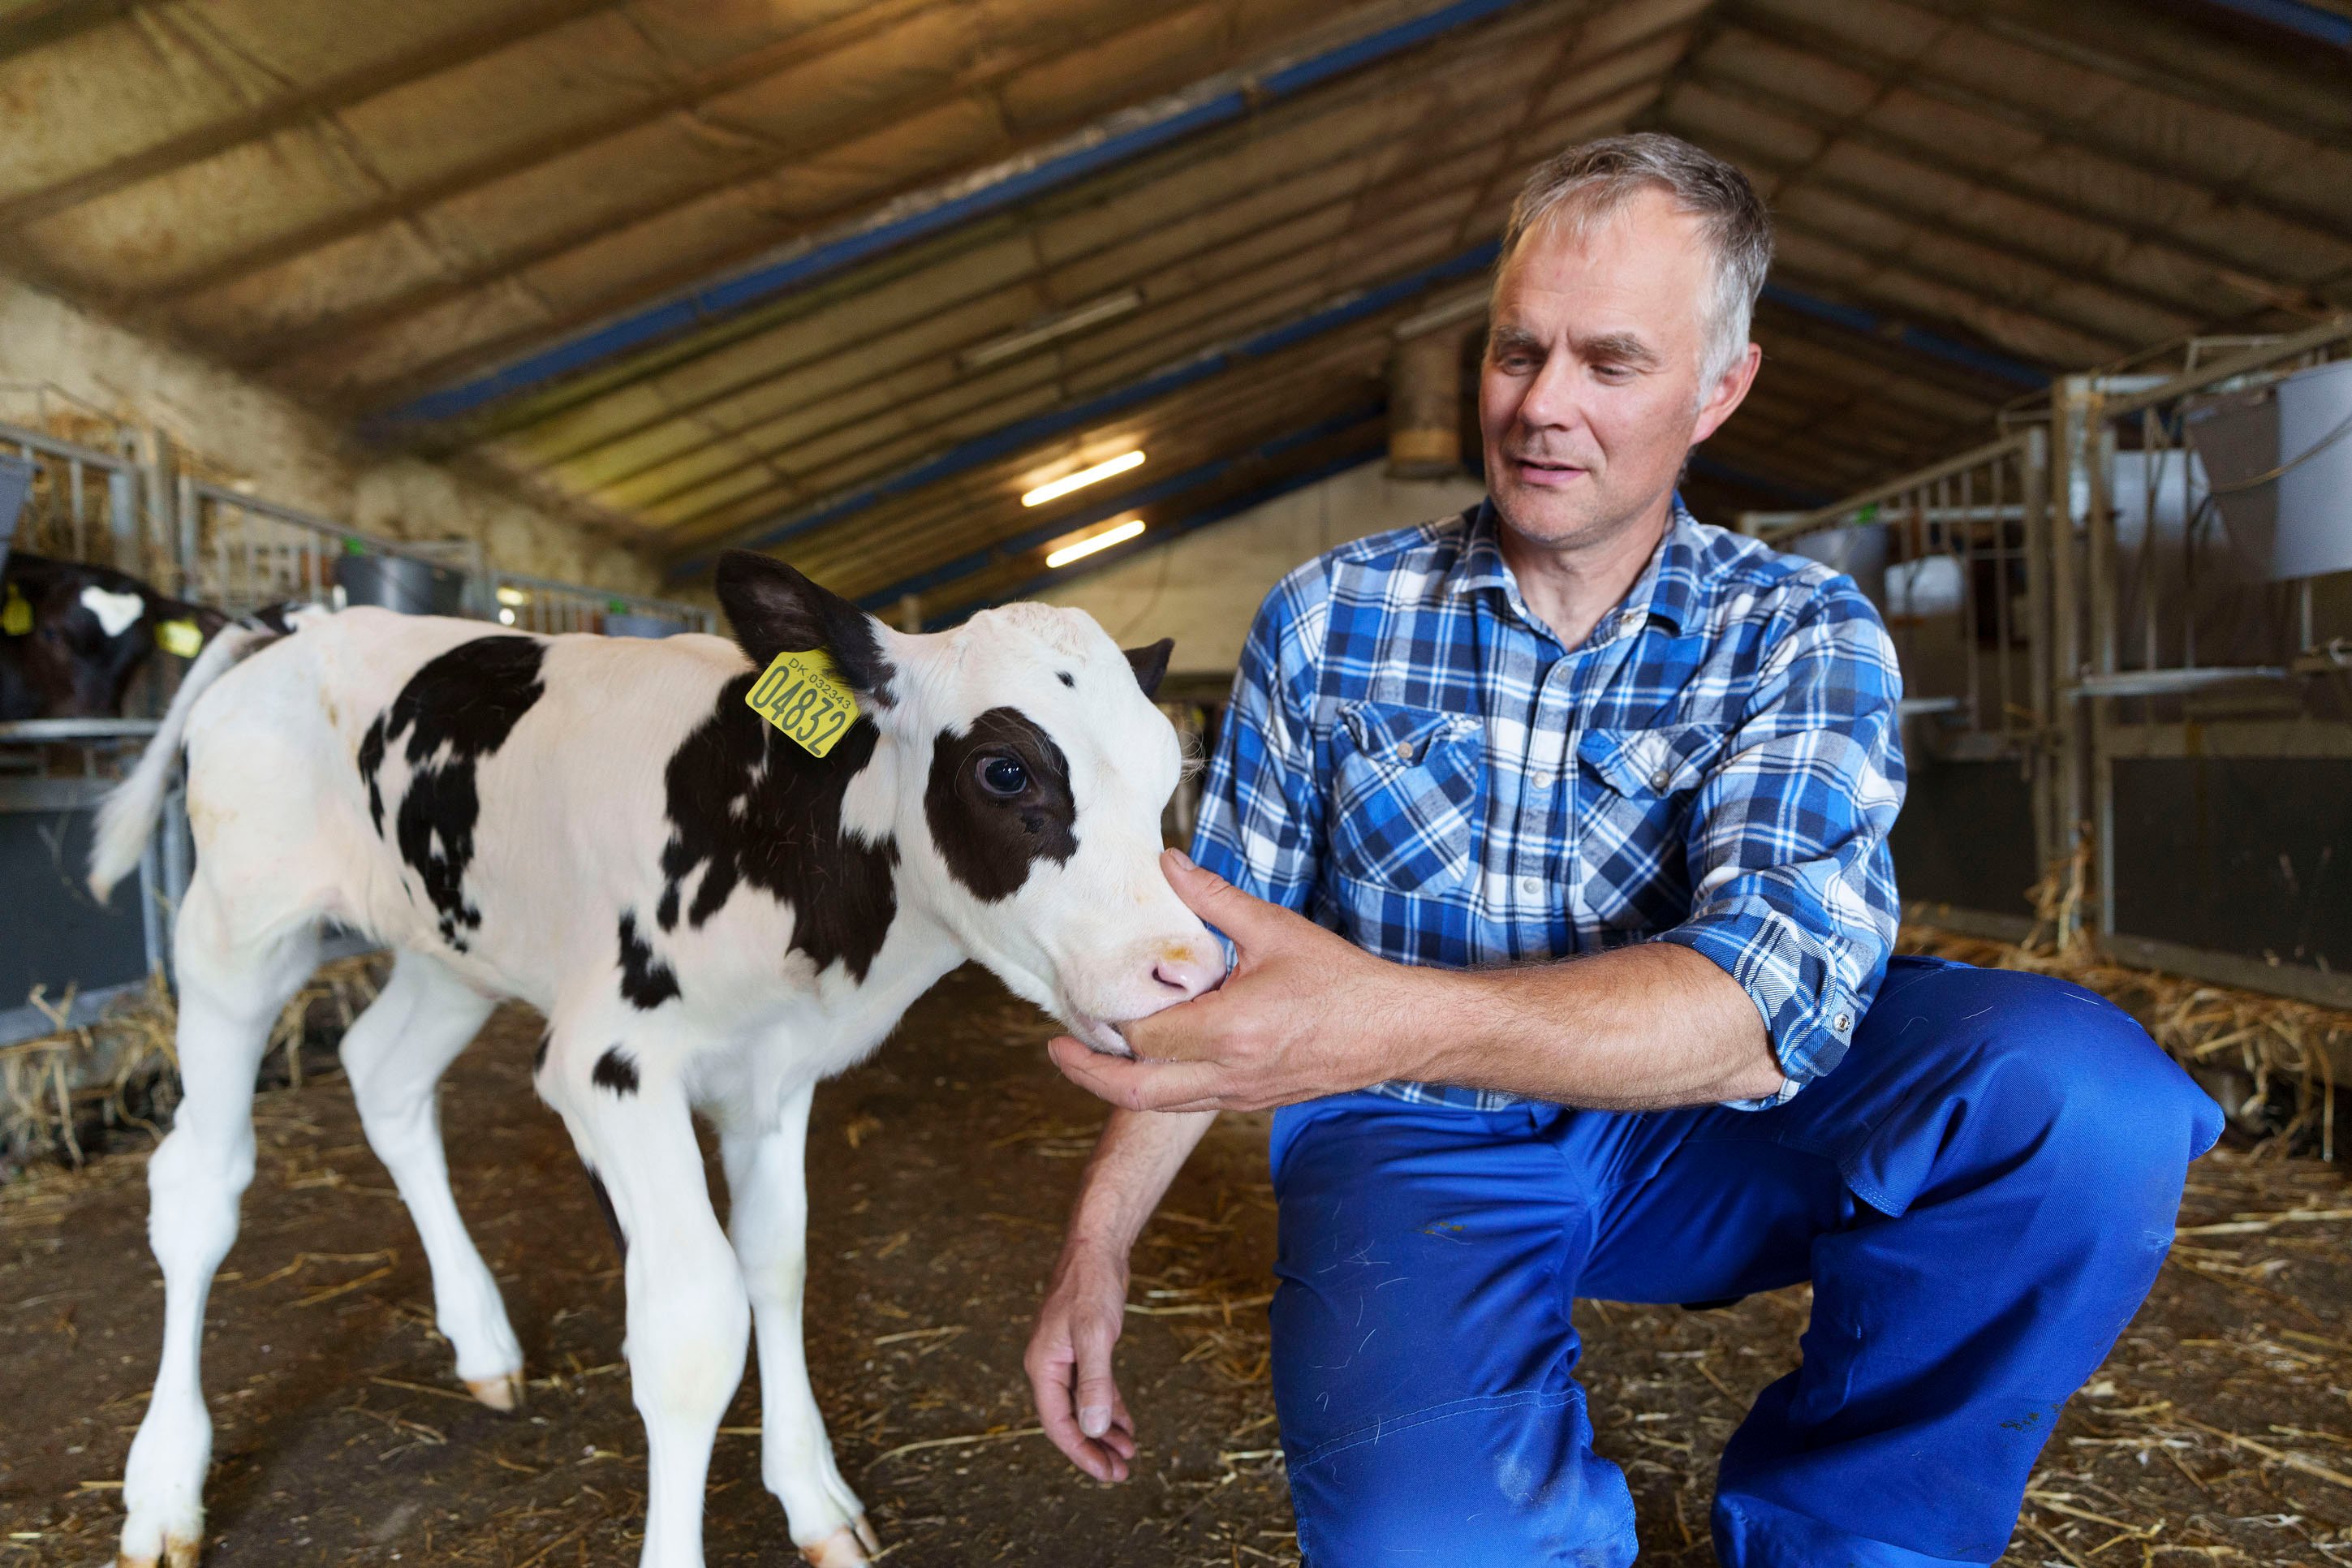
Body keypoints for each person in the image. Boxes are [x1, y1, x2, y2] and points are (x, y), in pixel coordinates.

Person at [1020, 133, 2222, 1566]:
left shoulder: (1798, 631)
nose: (1542, 408)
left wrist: (1377, 1013)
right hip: (1418, 1136)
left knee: (2082, 1101)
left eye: (1610, 364)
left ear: (1720, 389)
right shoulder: (1328, 617)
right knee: (1433, 1545)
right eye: (1515, 352)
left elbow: (1764, 1018)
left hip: (1710, 1127)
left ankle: (1851, 1532)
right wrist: (1095, 1245)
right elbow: (1210, 967)